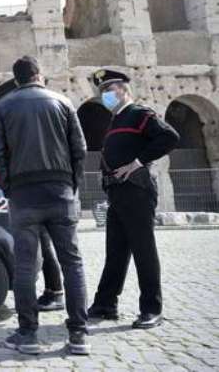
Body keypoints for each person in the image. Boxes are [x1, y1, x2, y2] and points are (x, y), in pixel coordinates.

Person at [0, 56, 89, 355]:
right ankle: (79, 335)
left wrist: (9, 188)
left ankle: (28, 334)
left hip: (23, 194)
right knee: (73, 263)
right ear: (39, 75)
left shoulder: (3, 107)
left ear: (17, 79)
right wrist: (71, 185)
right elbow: (80, 149)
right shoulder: (62, 101)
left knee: (24, 265)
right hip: (60, 191)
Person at [87, 69, 179, 329]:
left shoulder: (140, 113)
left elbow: (170, 137)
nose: (105, 95)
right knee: (115, 252)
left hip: (137, 192)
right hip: (117, 193)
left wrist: (138, 162)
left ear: (124, 89)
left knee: (144, 251)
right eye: (102, 91)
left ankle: (152, 309)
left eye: (109, 89)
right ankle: (106, 305)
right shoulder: (116, 121)